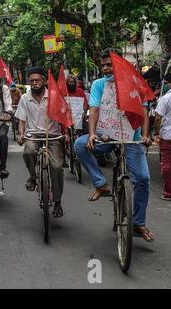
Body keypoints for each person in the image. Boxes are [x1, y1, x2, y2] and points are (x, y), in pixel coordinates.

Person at [74, 48, 154, 242]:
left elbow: (143, 111)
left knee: (143, 179)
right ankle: (101, 184)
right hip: (105, 137)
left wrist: (144, 135)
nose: (106, 69)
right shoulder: (98, 84)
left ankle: (138, 223)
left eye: (110, 64)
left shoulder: (134, 83)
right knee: (79, 144)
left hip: (131, 139)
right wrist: (92, 135)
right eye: (103, 65)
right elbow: (94, 109)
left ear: (119, 64)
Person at [15, 66, 68, 218]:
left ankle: (57, 202)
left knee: (57, 167)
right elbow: (22, 120)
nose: (34, 83)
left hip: (53, 136)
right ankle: (33, 177)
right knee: (28, 151)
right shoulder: (25, 98)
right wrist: (21, 134)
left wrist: (66, 133)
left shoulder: (54, 96)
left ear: (44, 81)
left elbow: (63, 116)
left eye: (37, 80)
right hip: (33, 136)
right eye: (31, 81)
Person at [153, 73, 171, 201]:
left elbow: (158, 117)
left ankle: (168, 193)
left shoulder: (165, 98)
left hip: (168, 136)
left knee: (167, 164)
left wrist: (156, 133)